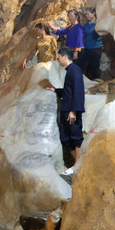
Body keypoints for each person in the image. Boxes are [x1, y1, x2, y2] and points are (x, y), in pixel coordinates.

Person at [48, 46, 85, 174]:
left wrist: (74, 111)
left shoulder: (75, 71)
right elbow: (68, 91)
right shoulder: (69, 71)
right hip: (66, 110)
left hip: (71, 112)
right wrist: (56, 90)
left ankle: (77, 165)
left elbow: (78, 92)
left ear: (65, 57)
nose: (58, 60)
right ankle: (80, 163)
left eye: (59, 58)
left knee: (76, 137)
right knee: (65, 138)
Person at [80, 7, 103, 80]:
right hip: (87, 47)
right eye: (85, 14)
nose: (86, 16)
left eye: (88, 14)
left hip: (95, 48)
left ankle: (96, 83)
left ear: (93, 14)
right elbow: (83, 34)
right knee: (86, 67)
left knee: (95, 68)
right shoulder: (86, 23)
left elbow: (101, 35)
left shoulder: (97, 24)